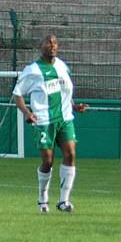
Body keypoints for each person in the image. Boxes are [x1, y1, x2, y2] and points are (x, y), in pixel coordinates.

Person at [12, 35, 88, 213]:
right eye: (48, 43)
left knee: (70, 154)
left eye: (55, 43)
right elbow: (18, 94)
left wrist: (74, 106)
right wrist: (28, 113)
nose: (52, 46)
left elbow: (65, 91)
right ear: (41, 47)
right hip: (44, 120)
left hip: (65, 119)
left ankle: (63, 201)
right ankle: (42, 197)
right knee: (48, 161)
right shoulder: (33, 70)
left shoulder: (62, 66)